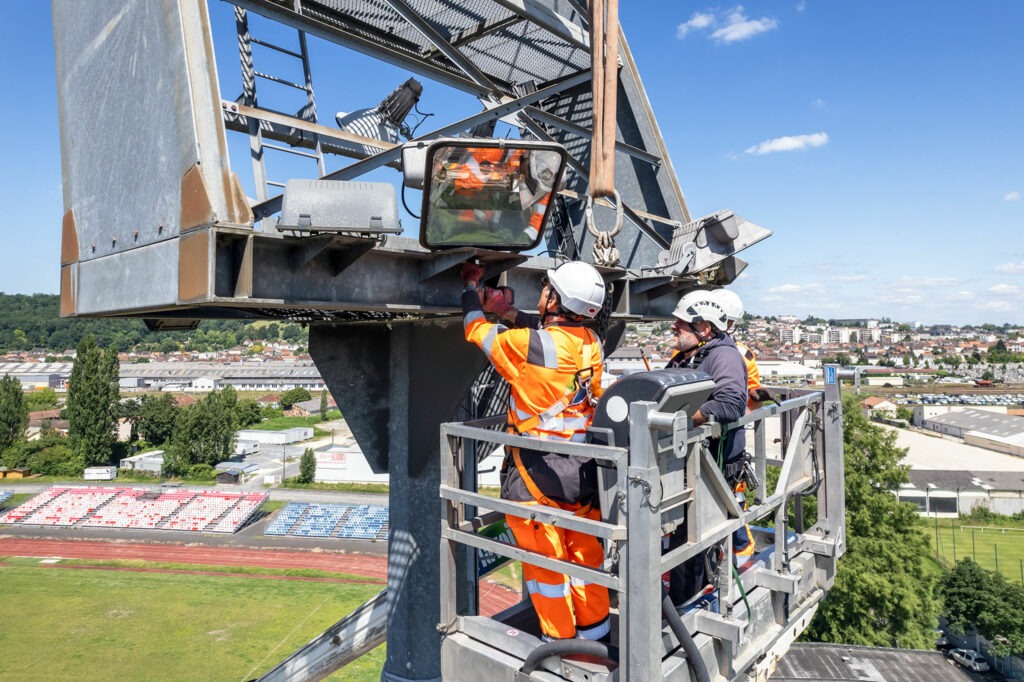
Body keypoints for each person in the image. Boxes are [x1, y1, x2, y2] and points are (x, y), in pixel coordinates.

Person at [460, 259, 610, 642]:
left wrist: (471, 289)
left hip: (535, 477)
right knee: (584, 561)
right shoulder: (591, 344)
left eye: (547, 288)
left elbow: (476, 330)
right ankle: (595, 641)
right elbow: (548, 339)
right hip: (581, 475)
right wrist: (507, 311)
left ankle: (560, 650)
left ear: (556, 300)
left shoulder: (530, 346)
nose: (541, 292)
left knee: (547, 573)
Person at [663, 289, 752, 605]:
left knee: (694, 542)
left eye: (681, 324)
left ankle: (686, 608)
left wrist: (683, 420)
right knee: (682, 539)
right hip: (689, 467)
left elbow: (730, 403)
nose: (674, 328)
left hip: (710, 469)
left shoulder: (723, 355)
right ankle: (681, 599)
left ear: (704, 327)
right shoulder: (692, 355)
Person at [709, 288, 767, 411]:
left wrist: (758, 395)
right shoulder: (743, 353)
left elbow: (753, 391)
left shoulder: (687, 349)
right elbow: (752, 394)